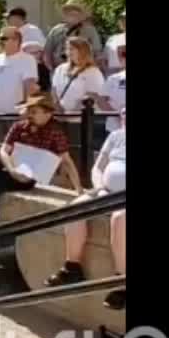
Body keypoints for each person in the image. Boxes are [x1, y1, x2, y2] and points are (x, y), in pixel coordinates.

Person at [44, 108, 125, 309]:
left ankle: (121, 281)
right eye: (123, 113)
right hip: (107, 191)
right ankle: (72, 267)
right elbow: (97, 167)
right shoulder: (116, 136)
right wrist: (99, 185)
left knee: (120, 218)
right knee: (76, 208)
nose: (124, 116)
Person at [0, 95, 81, 228]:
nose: (29, 115)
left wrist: (79, 190)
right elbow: (4, 150)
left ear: (48, 113)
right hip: (9, 168)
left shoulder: (56, 132)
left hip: (26, 175)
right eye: (29, 111)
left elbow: (66, 161)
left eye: (34, 112)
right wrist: (11, 169)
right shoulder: (19, 126)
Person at [0, 26, 41, 141]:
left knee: (15, 152)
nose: (0, 41)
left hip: (17, 116)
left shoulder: (27, 60)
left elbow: (30, 86)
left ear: (16, 41)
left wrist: (28, 110)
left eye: (4, 38)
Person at [43, 0, 103, 72]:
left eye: (76, 13)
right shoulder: (56, 30)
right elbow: (47, 52)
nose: (73, 15)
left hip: (83, 70)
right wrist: (52, 70)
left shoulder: (90, 31)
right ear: (65, 15)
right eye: (69, 13)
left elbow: (97, 53)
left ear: (81, 16)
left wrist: (92, 69)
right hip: (59, 70)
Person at [52, 37, 106, 114]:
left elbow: (93, 95)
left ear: (82, 51)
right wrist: (58, 108)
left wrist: (73, 112)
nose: (67, 52)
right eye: (67, 49)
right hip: (62, 116)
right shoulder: (60, 68)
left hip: (82, 118)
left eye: (71, 49)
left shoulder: (93, 72)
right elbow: (54, 90)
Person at [98, 42, 126, 134]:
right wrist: (116, 114)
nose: (122, 57)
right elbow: (101, 99)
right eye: (122, 55)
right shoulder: (113, 78)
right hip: (114, 128)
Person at [104, 11, 126, 75]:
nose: (123, 22)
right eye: (122, 19)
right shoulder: (112, 39)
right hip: (114, 79)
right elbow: (104, 59)